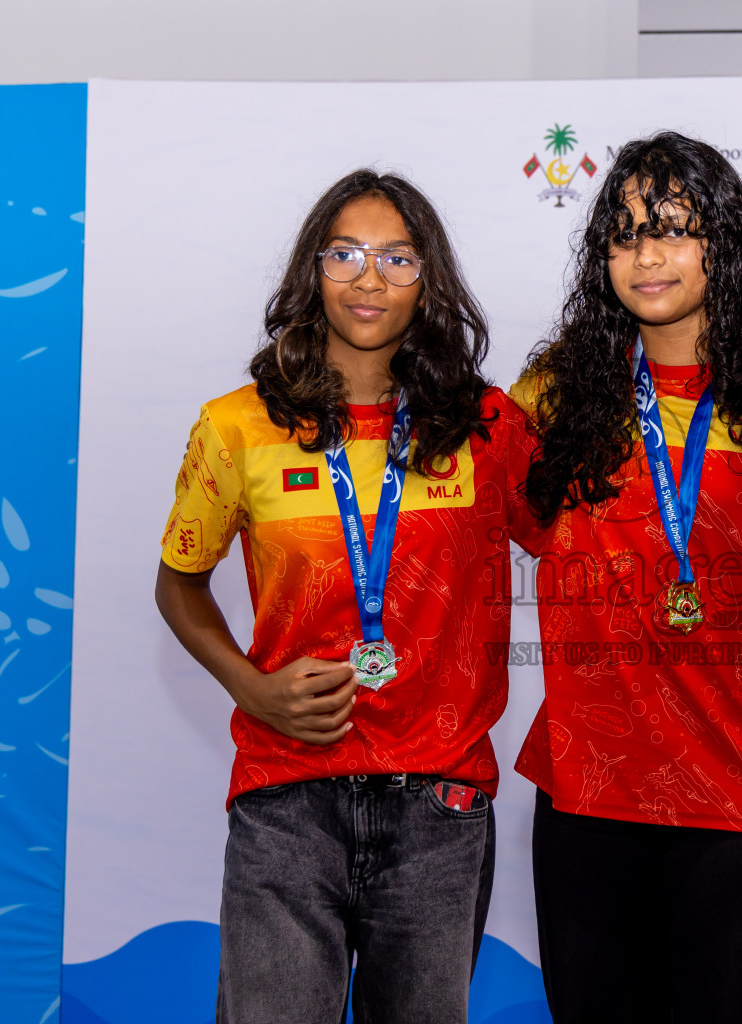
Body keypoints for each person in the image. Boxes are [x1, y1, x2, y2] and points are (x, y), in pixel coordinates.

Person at [154, 170, 535, 1024]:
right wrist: (250, 686)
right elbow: (179, 583)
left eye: (398, 258)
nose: (370, 278)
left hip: (440, 803)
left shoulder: (487, 425)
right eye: (347, 253)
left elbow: (582, 533)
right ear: (311, 270)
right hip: (288, 792)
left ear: (429, 281)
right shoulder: (238, 425)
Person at [508, 132, 742, 1024]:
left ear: (725, 242)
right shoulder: (555, 391)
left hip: (740, 794)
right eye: (627, 233)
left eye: (675, 229)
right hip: (588, 792)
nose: (647, 255)